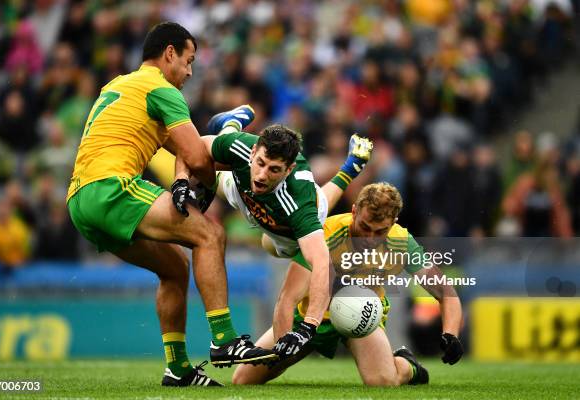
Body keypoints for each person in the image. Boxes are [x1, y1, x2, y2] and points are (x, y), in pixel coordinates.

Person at [66, 22, 275, 387]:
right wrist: (242, 169)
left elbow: (186, 153)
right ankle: (225, 340)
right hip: (112, 188)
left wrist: (196, 175)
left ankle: (177, 368)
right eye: (189, 61)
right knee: (210, 234)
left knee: (175, 268)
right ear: (169, 54)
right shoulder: (162, 89)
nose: (190, 72)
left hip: (80, 199)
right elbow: (197, 157)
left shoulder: (118, 85)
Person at [232, 183, 464, 386]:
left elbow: (444, 291)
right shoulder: (322, 234)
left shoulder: (402, 241)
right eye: (364, 227)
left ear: (393, 223)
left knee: (383, 382)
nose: (369, 238)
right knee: (243, 379)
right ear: (354, 211)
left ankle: (408, 366)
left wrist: (451, 334)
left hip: (361, 317)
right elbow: (288, 297)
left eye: (380, 231)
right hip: (307, 319)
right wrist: (284, 340)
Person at [194, 106, 373, 360]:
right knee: (208, 158)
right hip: (248, 198)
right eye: (261, 163)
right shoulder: (246, 151)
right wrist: (182, 180)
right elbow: (195, 146)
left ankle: (350, 168)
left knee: (314, 212)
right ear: (254, 153)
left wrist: (308, 326)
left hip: (283, 235)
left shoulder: (299, 202)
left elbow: (321, 261)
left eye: (274, 169)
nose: (263, 175)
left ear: (287, 170)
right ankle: (231, 124)